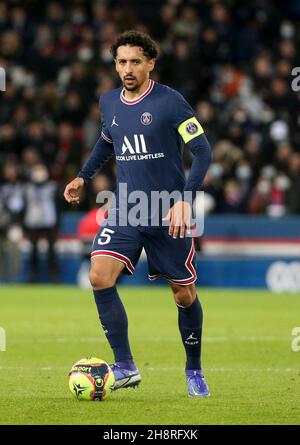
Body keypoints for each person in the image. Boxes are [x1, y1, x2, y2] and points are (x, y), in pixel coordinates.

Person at [64, 31, 212, 397]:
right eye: (121, 62)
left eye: (134, 62)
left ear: (150, 64)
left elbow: (203, 151)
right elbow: (107, 141)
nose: (127, 69)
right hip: (127, 210)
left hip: (167, 213)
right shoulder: (109, 102)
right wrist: (83, 176)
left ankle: (193, 370)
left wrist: (184, 199)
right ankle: (126, 366)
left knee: (183, 296)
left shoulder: (171, 102)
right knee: (99, 276)